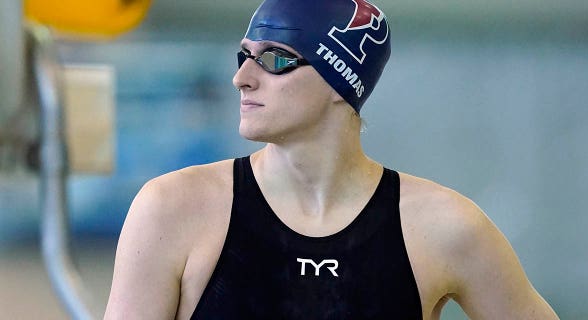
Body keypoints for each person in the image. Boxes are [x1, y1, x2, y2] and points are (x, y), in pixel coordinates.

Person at [104, 0, 559, 319]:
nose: (242, 77)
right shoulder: (172, 209)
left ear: (340, 82)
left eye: (275, 60)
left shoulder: (445, 228)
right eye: (243, 56)